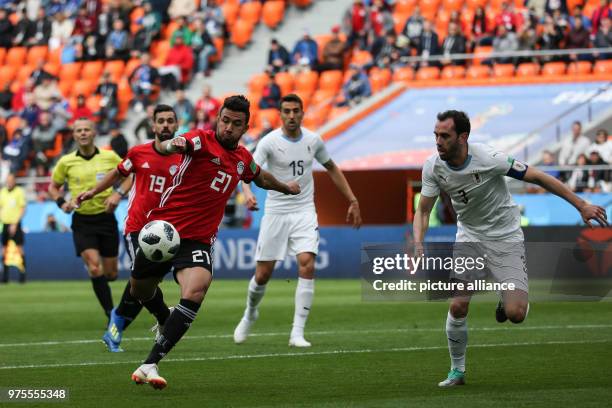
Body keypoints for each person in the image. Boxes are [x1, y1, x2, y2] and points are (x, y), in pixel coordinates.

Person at [413, 110, 608, 388]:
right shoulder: (433, 166)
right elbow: (423, 211)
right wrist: (418, 240)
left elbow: (538, 177)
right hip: (469, 238)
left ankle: (507, 301)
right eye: (436, 135)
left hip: (505, 237)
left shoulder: (490, 158)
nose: (438, 141)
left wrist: (581, 205)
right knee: (458, 304)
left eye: (444, 136)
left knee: (516, 315)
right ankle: (457, 371)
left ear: (462, 137)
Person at [128, 95, 300, 389]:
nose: (229, 127)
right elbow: (179, 143)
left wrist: (285, 187)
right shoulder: (200, 140)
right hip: (164, 231)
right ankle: (163, 316)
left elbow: (260, 178)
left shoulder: (243, 158)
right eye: (225, 120)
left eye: (236, 123)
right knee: (139, 290)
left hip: (198, 240)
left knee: (196, 290)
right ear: (217, 118)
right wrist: (176, 144)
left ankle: (150, 363)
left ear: (245, 127)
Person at [233, 93, 362, 348]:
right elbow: (247, 172)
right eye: (287, 111)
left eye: (296, 111)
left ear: (302, 113)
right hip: (276, 212)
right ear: (280, 114)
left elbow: (332, 168)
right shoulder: (269, 142)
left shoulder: (314, 140)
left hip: (304, 210)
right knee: (263, 274)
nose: (291, 116)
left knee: (307, 264)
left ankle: (297, 333)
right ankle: (250, 313)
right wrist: (247, 194)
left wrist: (353, 200)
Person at [77, 105, 182, 352]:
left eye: (170, 121)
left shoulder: (184, 158)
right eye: (161, 121)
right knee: (141, 281)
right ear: (153, 126)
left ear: (176, 125)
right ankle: (164, 319)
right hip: (139, 228)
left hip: (168, 232)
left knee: (145, 285)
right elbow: (118, 173)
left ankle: (118, 319)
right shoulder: (139, 153)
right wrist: (96, 191)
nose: (165, 125)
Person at [48, 118, 130, 322]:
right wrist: (62, 203)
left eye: (87, 130)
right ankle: (111, 314)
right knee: (94, 267)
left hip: (106, 219)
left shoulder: (110, 156)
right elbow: (53, 186)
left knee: (110, 274)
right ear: (74, 135)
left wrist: (117, 193)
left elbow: (131, 175)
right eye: (79, 130)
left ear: (94, 133)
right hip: (82, 221)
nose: (83, 133)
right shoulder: (66, 162)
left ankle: (112, 305)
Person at [0, 174, 27, 283]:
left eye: (11, 180)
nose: (9, 182)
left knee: (19, 248)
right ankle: (4, 277)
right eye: (8, 181)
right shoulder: (2, 192)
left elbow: (23, 208)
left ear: (14, 181)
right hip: (5, 224)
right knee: (4, 249)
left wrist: (15, 224)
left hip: (15, 224)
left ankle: (22, 275)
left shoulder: (19, 192)